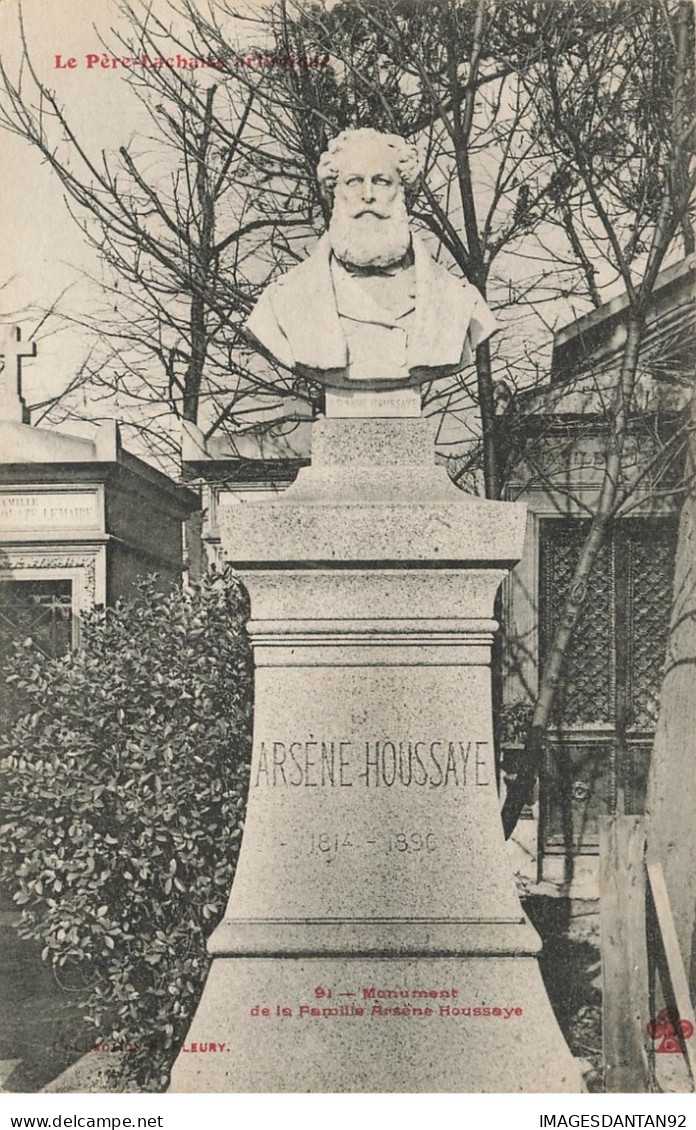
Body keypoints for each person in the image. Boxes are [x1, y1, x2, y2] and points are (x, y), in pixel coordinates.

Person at [246, 127, 497, 389]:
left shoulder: (457, 300)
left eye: (381, 181)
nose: (368, 195)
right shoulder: (283, 302)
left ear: (403, 192)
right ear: (334, 191)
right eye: (354, 181)